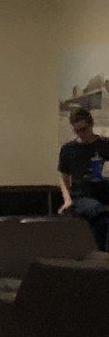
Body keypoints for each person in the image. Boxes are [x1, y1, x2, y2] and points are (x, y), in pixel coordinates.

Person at [58, 107, 109, 250]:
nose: (81, 134)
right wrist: (67, 200)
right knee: (96, 209)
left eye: (84, 130)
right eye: (77, 130)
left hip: (103, 192)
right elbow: (64, 177)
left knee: (102, 219)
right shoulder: (68, 149)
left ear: (91, 125)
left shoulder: (104, 144)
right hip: (81, 196)